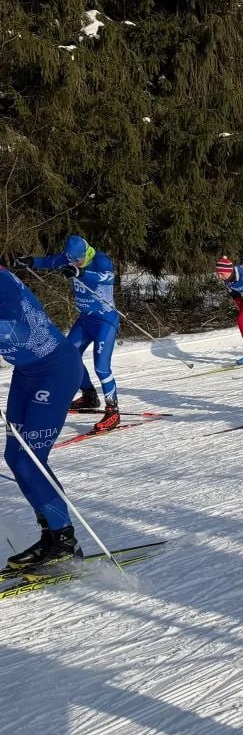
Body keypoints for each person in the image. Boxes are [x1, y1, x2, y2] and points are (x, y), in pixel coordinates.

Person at [1, 267, 84, 569]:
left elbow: (9, 312)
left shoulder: (2, 280)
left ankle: (64, 540)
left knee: (30, 458)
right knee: (15, 456)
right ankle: (51, 535)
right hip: (27, 374)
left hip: (55, 372)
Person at [18, 235, 122, 433]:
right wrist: (30, 261)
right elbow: (50, 261)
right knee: (69, 356)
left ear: (85, 253)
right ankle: (90, 396)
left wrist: (79, 272)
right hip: (85, 320)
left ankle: (113, 411)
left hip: (105, 320)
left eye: (77, 260)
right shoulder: (70, 259)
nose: (73, 263)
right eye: (71, 260)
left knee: (101, 367)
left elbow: (106, 277)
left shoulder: (100, 260)